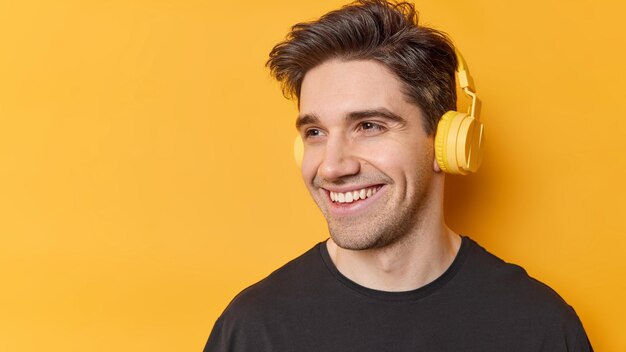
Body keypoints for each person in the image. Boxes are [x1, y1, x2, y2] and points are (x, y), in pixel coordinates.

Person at [204, 0, 592, 351]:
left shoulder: (539, 328)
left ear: (445, 143)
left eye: (369, 126)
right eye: (315, 133)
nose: (333, 166)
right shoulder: (252, 329)